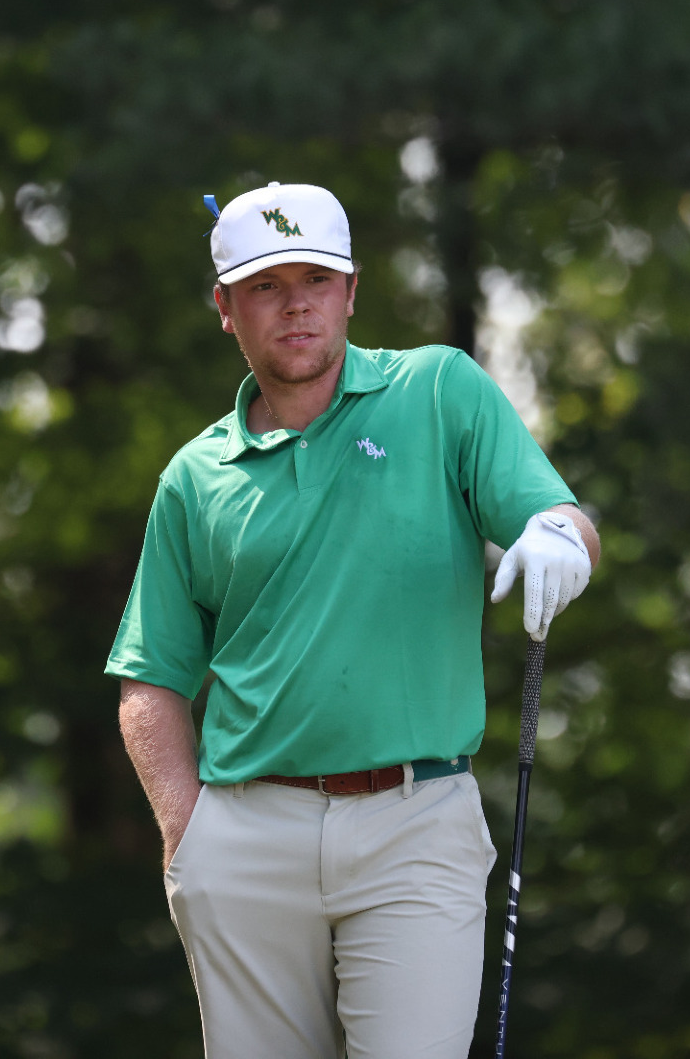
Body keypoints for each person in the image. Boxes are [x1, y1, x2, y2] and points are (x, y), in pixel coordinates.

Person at [106, 182, 599, 1058]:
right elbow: (151, 679)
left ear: (351, 291)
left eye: (317, 280)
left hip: (416, 822)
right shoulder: (194, 477)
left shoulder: (438, 390)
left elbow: (558, 516)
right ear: (225, 308)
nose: (296, 304)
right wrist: (191, 841)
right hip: (246, 837)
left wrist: (563, 536)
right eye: (266, 285)